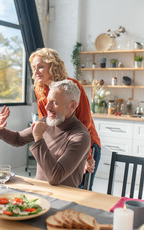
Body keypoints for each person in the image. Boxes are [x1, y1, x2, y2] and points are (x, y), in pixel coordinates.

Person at [0, 80, 91, 188]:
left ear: (72, 106)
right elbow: (18, 139)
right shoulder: (46, 121)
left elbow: (55, 177)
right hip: (38, 190)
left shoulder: (80, 137)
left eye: (54, 102)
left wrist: (38, 137)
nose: (47, 107)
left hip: (63, 197)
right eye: (48, 101)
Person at [29, 48, 101, 190]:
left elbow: (85, 122)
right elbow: (47, 123)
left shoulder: (72, 86)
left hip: (85, 144)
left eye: (41, 67)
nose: (36, 72)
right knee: (58, 188)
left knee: (80, 191)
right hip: (61, 143)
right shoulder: (40, 90)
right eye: (33, 68)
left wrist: (87, 156)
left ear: (53, 66)